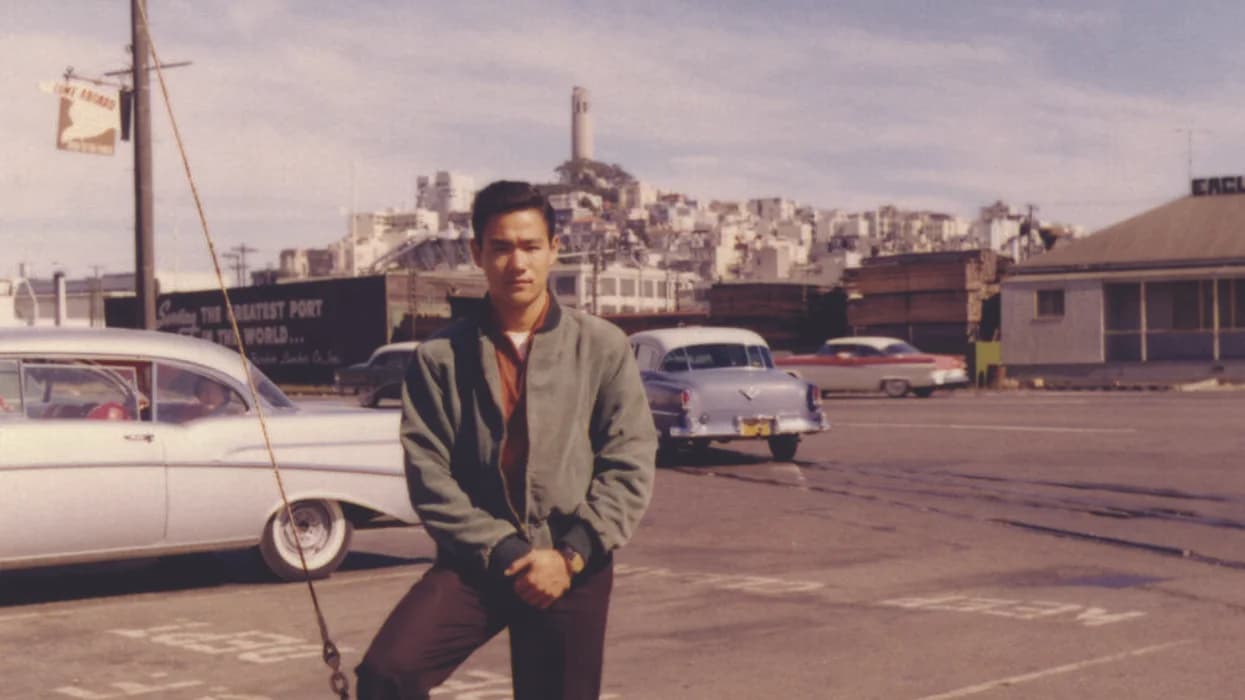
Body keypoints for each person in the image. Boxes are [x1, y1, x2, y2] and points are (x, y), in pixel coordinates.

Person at [356, 181, 657, 699]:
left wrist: (569, 556)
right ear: (477, 253)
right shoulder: (440, 357)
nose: (517, 262)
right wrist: (504, 551)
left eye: (530, 246)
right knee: (389, 673)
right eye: (500, 247)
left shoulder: (602, 346)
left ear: (554, 250)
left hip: (571, 562)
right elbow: (430, 478)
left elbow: (628, 463)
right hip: (481, 560)